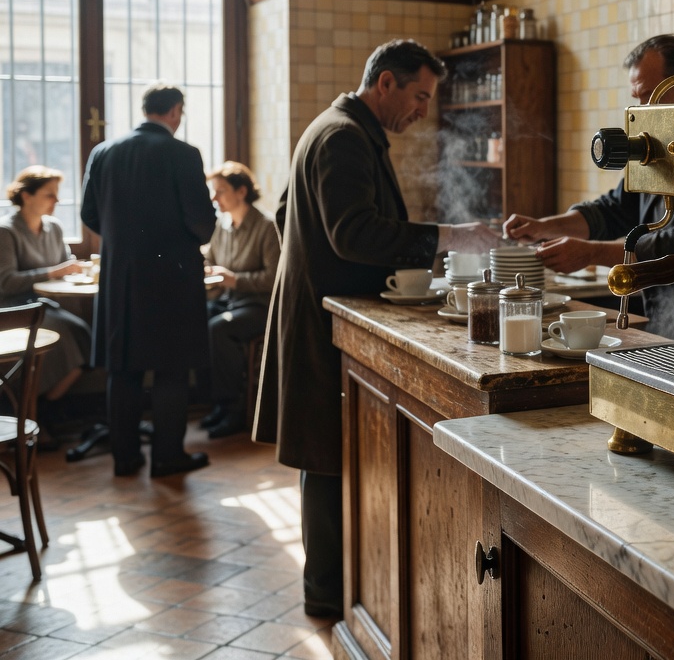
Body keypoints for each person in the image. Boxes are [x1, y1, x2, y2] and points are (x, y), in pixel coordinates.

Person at [254, 38, 501, 618]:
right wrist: (450, 236)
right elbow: (354, 233)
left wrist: (316, 262)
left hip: (318, 309)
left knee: (328, 457)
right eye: (419, 96)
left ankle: (334, 591)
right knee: (327, 460)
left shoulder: (338, 128)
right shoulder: (344, 136)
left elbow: (288, 213)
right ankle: (329, 597)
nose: (423, 110)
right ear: (385, 82)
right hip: (325, 320)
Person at [503, 34, 674, 339]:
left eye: (649, 96)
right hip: (666, 318)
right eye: (637, 98)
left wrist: (591, 253)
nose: (641, 110)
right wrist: (545, 227)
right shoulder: (664, 140)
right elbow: (616, 208)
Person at [81, 83, 217, 478]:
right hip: (172, 278)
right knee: (171, 369)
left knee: (122, 369)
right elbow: (202, 224)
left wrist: (124, 240)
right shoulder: (184, 154)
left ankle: (125, 458)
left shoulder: (103, 152)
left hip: (120, 277)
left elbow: (89, 214)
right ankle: (167, 456)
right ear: (174, 111)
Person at [0, 166, 91, 440]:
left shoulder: (54, 228)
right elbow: (5, 282)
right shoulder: (6, 231)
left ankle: (45, 406)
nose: (57, 200)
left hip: (48, 306)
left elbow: (65, 265)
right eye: (49, 194)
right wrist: (52, 272)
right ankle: (30, 411)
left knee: (84, 333)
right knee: (62, 333)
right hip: (17, 310)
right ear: (26, 196)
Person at [201, 161, 279, 439]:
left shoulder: (267, 227)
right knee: (197, 318)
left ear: (242, 191)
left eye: (220, 191)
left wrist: (235, 280)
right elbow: (210, 259)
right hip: (229, 301)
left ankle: (233, 409)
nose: (214, 198)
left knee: (219, 329)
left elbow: (274, 277)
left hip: (259, 306)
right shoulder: (222, 226)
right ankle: (216, 404)